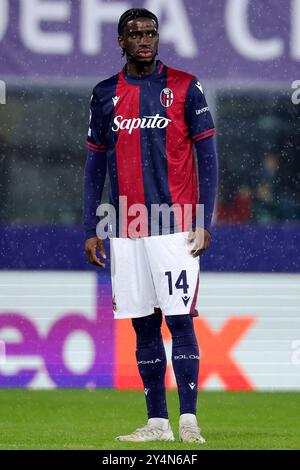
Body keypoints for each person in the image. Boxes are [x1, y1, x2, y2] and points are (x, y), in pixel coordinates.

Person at [83, 8, 218, 443]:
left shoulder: (184, 86)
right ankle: (157, 422)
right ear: (120, 41)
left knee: (180, 321)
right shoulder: (105, 94)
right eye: (136, 34)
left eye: (151, 33)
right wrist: (91, 226)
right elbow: (94, 164)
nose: (145, 39)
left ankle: (189, 421)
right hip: (125, 227)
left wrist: (203, 219)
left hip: (174, 226)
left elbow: (207, 156)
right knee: (143, 324)